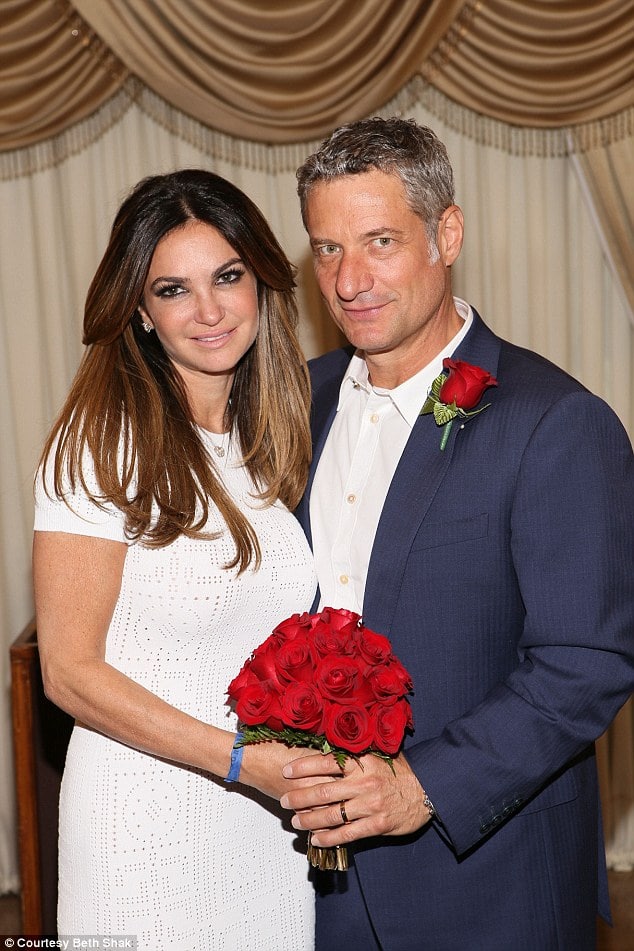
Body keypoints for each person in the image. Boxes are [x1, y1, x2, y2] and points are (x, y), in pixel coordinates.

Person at [280, 117, 634, 950]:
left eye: (378, 242)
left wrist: (424, 786)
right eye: (327, 250)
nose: (350, 279)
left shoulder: (555, 421)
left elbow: (587, 662)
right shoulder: (298, 401)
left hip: (486, 880)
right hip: (306, 880)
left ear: (447, 233)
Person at [33, 169, 319, 949]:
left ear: (260, 280)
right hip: (144, 830)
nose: (209, 310)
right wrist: (239, 762)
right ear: (141, 312)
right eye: (172, 289)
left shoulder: (264, 441)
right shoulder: (101, 442)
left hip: (265, 830)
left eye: (227, 276)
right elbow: (68, 671)